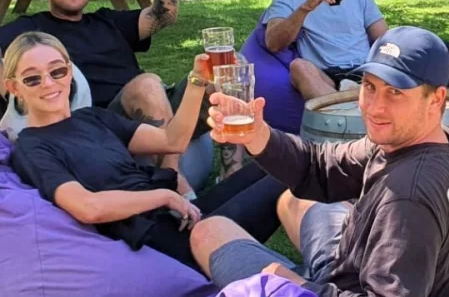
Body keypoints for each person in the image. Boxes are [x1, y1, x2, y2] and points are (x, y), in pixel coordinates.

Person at [189, 27, 449, 296]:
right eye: (370, 86)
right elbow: (320, 167)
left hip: (344, 288)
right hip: (351, 266)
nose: (374, 107)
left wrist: (296, 286)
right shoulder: (433, 142)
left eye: (395, 92)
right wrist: (257, 134)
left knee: (208, 231)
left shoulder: (406, 199)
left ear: (436, 99)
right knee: (291, 200)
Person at [7, 32, 285, 274]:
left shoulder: (91, 119)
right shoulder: (32, 147)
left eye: (57, 71)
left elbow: (172, 140)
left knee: (281, 160)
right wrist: (164, 196)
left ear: (69, 72)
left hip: (179, 218)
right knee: (285, 176)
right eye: (32, 79)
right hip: (160, 242)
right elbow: (88, 207)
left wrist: (196, 81)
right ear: (14, 88)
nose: (48, 83)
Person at [0, 0, 206, 191]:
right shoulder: (31, 29)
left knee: (224, 69)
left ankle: (233, 169)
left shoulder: (108, 20)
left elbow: (163, 15)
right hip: (105, 119)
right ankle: (178, 187)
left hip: (154, 102)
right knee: (146, 83)